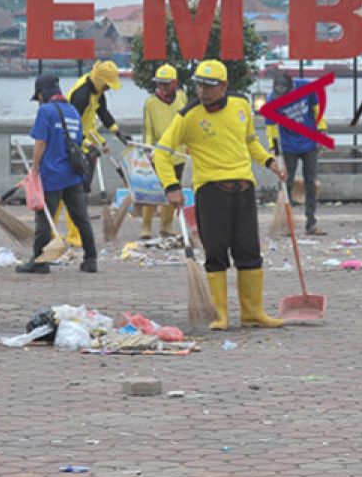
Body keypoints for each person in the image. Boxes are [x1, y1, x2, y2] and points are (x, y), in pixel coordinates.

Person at [153, 59, 288, 331]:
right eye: (199, 85)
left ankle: (253, 312)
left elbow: (250, 143)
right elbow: (161, 152)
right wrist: (172, 187)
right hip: (211, 191)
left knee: (249, 250)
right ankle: (220, 314)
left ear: (224, 86)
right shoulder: (188, 115)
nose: (203, 91)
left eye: (209, 86)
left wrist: (270, 163)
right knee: (215, 252)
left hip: (244, 189)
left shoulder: (241, 106)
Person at [17, 74, 98, 275]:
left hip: (52, 174)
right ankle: (90, 259)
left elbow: (40, 142)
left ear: (42, 94)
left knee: (44, 219)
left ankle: (39, 262)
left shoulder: (46, 112)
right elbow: (78, 141)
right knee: (81, 219)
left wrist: (34, 170)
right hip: (74, 174)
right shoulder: (72, 111)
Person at [57, 60, 131, 249]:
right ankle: (67, 234)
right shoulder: (81, 95)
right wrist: (88, 144)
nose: (108, 88)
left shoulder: (97, 92)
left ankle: (74, 234)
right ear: (99, 79)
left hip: (85, 140)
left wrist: (117, 132)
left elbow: (103, 113)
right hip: (71, 143)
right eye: (107, 84)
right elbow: (71, 125)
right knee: (70, 190)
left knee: (78, 190)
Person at [265, 71, 328, 235]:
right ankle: (286, 223)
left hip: (309, 143)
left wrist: (321, 131)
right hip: (288, 147)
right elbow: (271, 126)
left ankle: (311, 223)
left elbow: (316, 109)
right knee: (286, 184)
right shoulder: (272, 99)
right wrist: (273, 146)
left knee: (311, 183)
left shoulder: (306, 87)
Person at [141, 63, 187, 239]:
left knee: (173, 189)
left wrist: (189, 145)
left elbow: (186, 123)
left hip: (178, 153)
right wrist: (148, 150)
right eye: (159, 83)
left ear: (174, 83)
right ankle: (146, 226)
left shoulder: (182, 97)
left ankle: (166, 226)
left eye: (166, 83)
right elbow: (147, 129)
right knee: (152, 190)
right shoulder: (151, 103)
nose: (162, 87)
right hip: (158, 152)